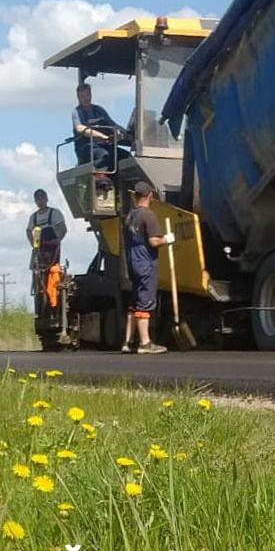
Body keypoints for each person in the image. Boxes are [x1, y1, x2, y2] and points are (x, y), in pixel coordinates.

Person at [122, 181, 176, 354]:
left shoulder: (129, 216)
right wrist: (167, 239)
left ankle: (128, 342)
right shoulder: (148, 216)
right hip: (146, 262)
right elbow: (153, 241)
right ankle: (145, 343)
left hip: (132, 261)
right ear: (150, 196)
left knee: (135, 303)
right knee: (145, 302)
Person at [72, 83, 129, 174]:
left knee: (126, 156)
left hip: (105, 145)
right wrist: (102, 136)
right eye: (82, 96)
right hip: (87, 147)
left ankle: (124, 182)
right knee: (104, 155)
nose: (86, 98)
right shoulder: (77, 112)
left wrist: (124, 133)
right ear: (78, 97)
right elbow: (79, 128)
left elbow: (112, 125)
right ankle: (98, 181)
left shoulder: (99, 110)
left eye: (88, 95)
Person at [26, 189, 68, 311]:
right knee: (38, 273)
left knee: (53, 272)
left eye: (42, 198)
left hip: (52, 248)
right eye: (38, 199)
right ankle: (41, 298)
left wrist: (58, 239)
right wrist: (33, 244)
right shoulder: (33, 217)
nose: (40, 201)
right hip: (39, 249)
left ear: (46, 198)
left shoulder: (54, 213)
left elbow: (63, 228)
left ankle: (54, 298)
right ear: (35, 201)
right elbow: (28, 230)